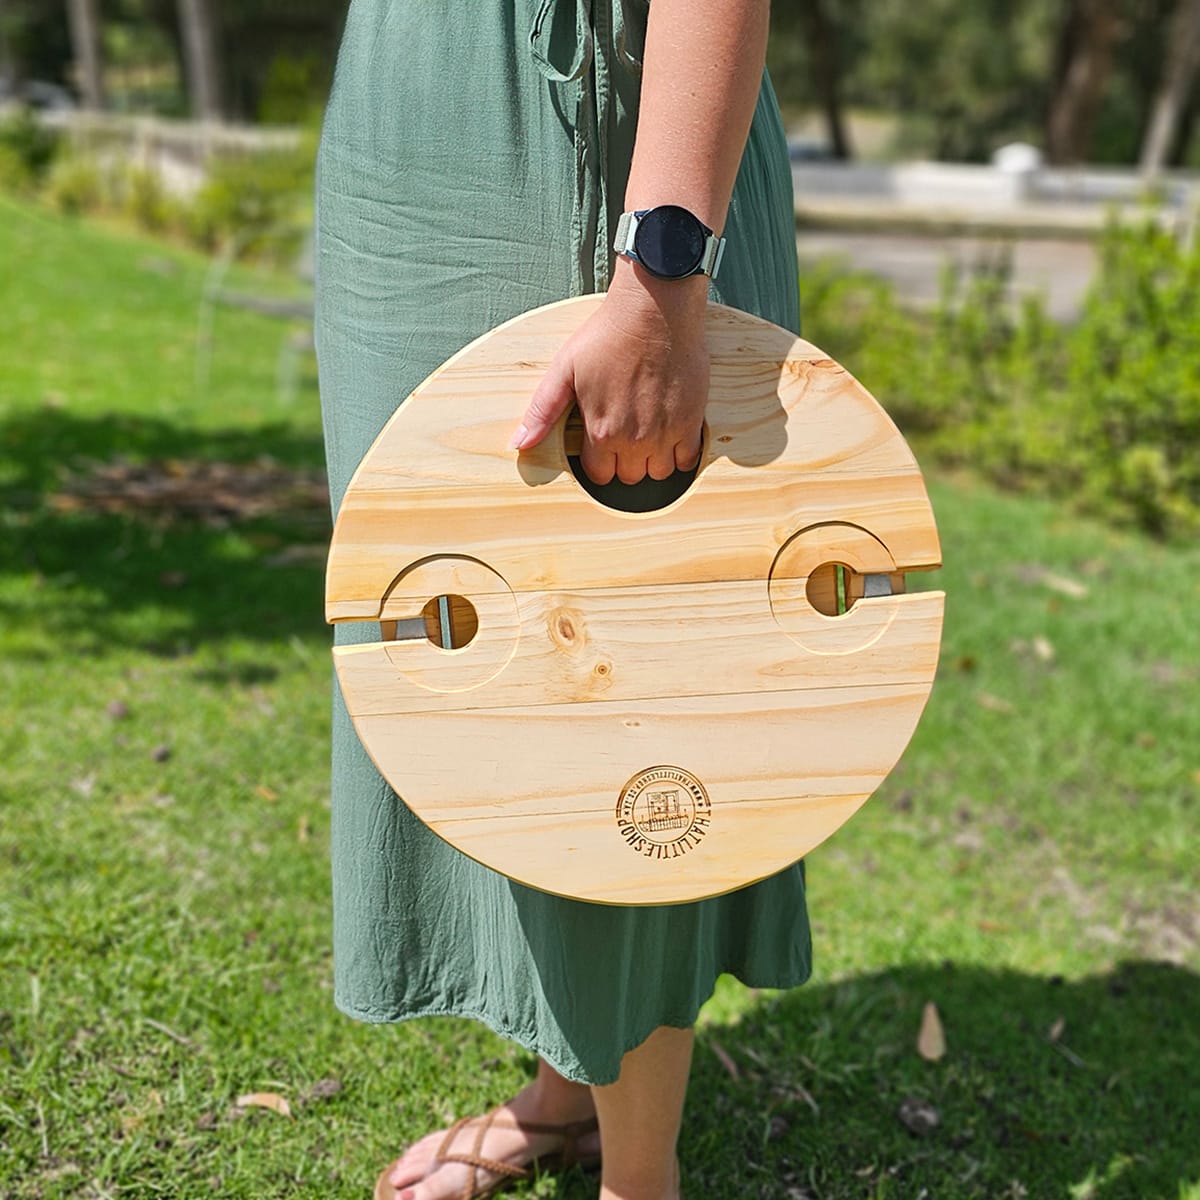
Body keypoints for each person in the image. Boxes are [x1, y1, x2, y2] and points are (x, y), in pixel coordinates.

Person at [314, 2, 811, 1197]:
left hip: (594, 152)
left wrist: (662, 267)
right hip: (406, 135)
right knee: (475, 668)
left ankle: (642, 1176)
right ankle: (566, 1092)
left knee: (615, 692)